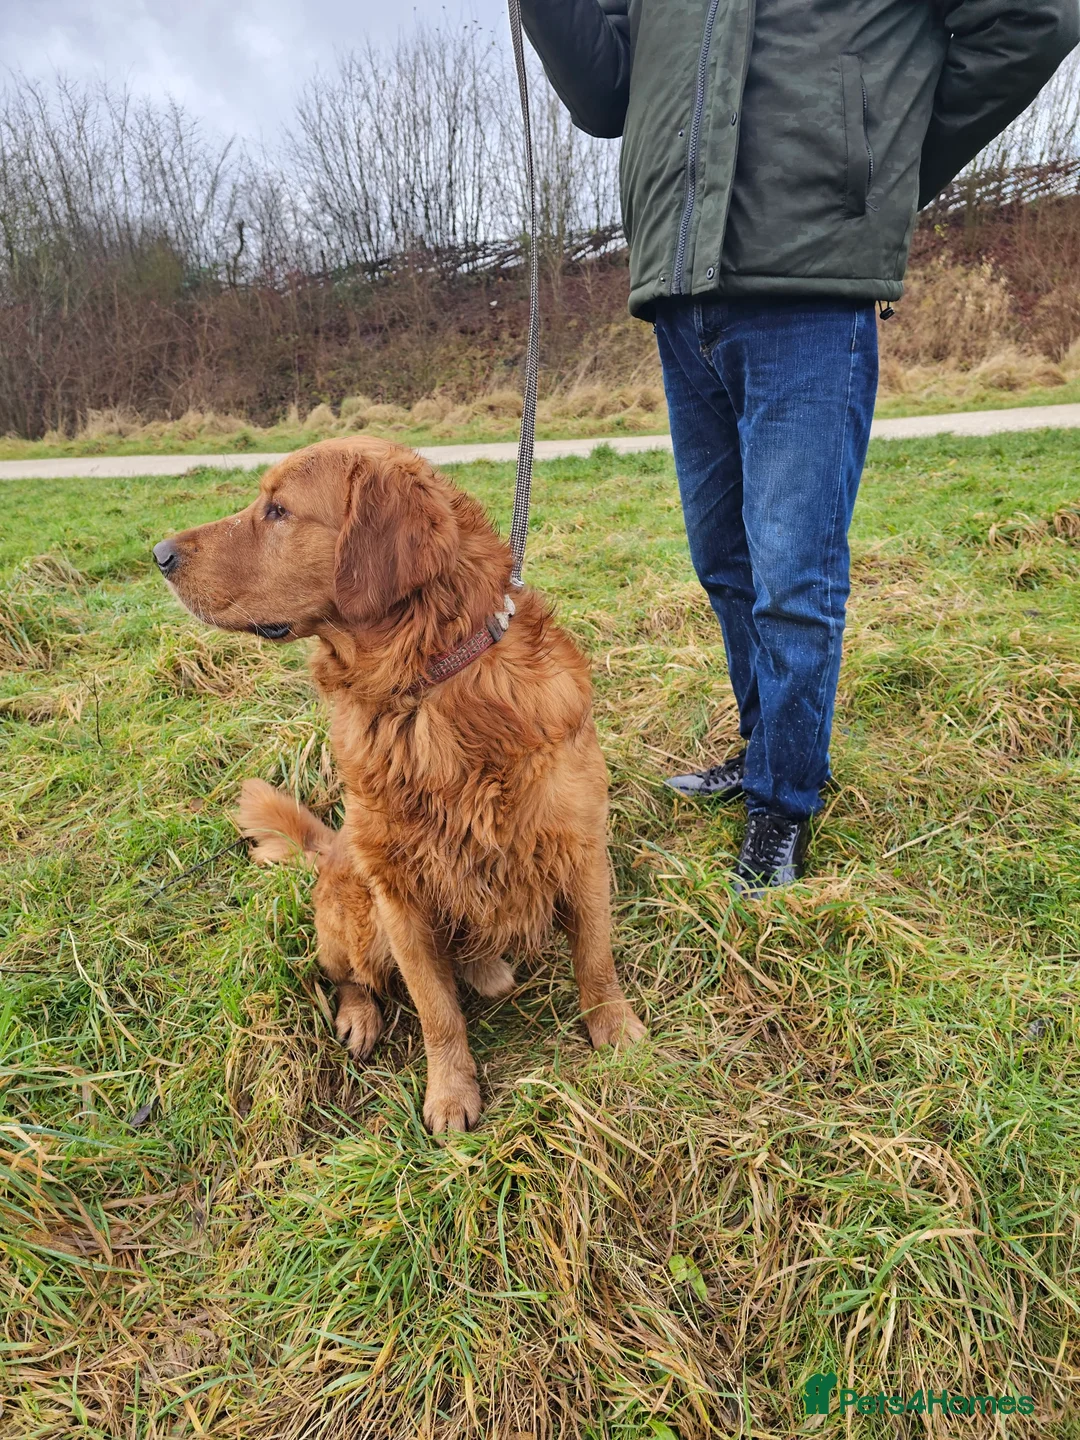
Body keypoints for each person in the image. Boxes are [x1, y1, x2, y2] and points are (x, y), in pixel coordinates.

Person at [520, 0, 1078, 892]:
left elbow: (1033, 19)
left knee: (793, 580)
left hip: (812, 294)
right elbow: (606, 93)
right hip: (679, 292)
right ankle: (762, 749)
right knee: (725, 560)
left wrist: (880, 176)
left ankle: (784, 800)